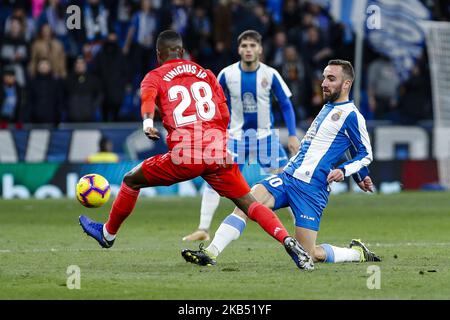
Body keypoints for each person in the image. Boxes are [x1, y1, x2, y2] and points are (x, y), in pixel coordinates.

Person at [79, 30, 314, 270]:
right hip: (217, 151)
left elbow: (148, 100)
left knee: (131, 180)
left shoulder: (155, 75)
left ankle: (107, 234)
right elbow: (223, 114)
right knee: (250, 203)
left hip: (186, 155)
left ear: (158, 54)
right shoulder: (206, 73)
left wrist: (148, 124)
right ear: (181, 51)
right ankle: (287, 240)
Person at [182, 59, 381, 267]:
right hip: (287, 177)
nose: (324, 83)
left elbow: (365, 153)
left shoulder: (352, 115)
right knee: (245, 205)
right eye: (324, 77)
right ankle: (210, 253)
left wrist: (346, 170)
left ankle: (356, 253)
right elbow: (342, 144)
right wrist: (360, 174)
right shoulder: (328, 107)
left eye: (331, 79)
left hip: (312, 189)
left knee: (311, 254)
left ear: (347, 84)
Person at [182, 30, 300, 242]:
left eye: (252, 46)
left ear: (260, 49)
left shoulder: (270, 74)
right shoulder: (227, 74)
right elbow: (214, 106)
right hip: (235, 139)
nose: (248, 50)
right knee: (215, 179)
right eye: (244, 46)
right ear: (238, 49)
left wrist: (292, 135)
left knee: (287, 182)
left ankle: (301, 231)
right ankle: (203, 229)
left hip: (266, 139)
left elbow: (285, 104)